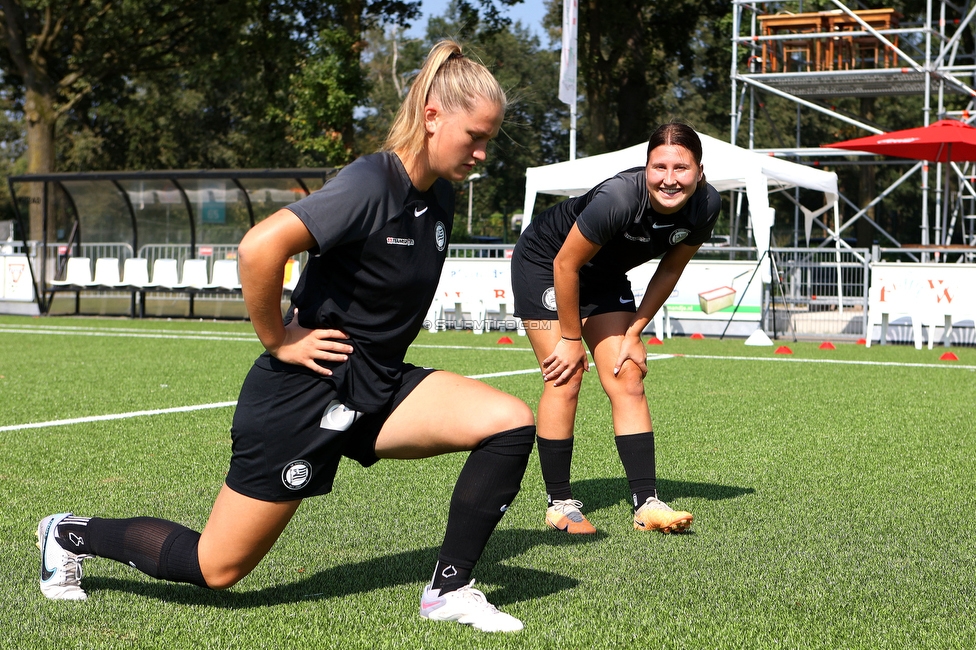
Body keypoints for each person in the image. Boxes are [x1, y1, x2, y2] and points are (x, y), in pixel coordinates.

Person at [36, 41, 536, 634]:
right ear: (432, 116)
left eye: (489, 140)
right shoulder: (371, 183)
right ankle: (68, 533)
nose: (482, 152)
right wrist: (280, 339)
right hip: (302, 392)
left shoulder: (440, 195)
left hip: (373, 384)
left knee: (507, 421)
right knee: (215, 568)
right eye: (474, 136)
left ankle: (448, 592)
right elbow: (259, 246)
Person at [511, 122, 720, 535]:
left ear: (699, 171)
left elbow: (671, 269)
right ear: (646, 168)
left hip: (603, 277)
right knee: (565, 375)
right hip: (547, 264)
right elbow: (565, 265)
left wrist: (634, 331)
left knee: (627, 375)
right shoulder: (619, 198)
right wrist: (572, 340)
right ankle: (559, 504)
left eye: (681, 168)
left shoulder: (707, 205)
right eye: (659, 167)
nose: (670, 179)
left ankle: (646, 503)